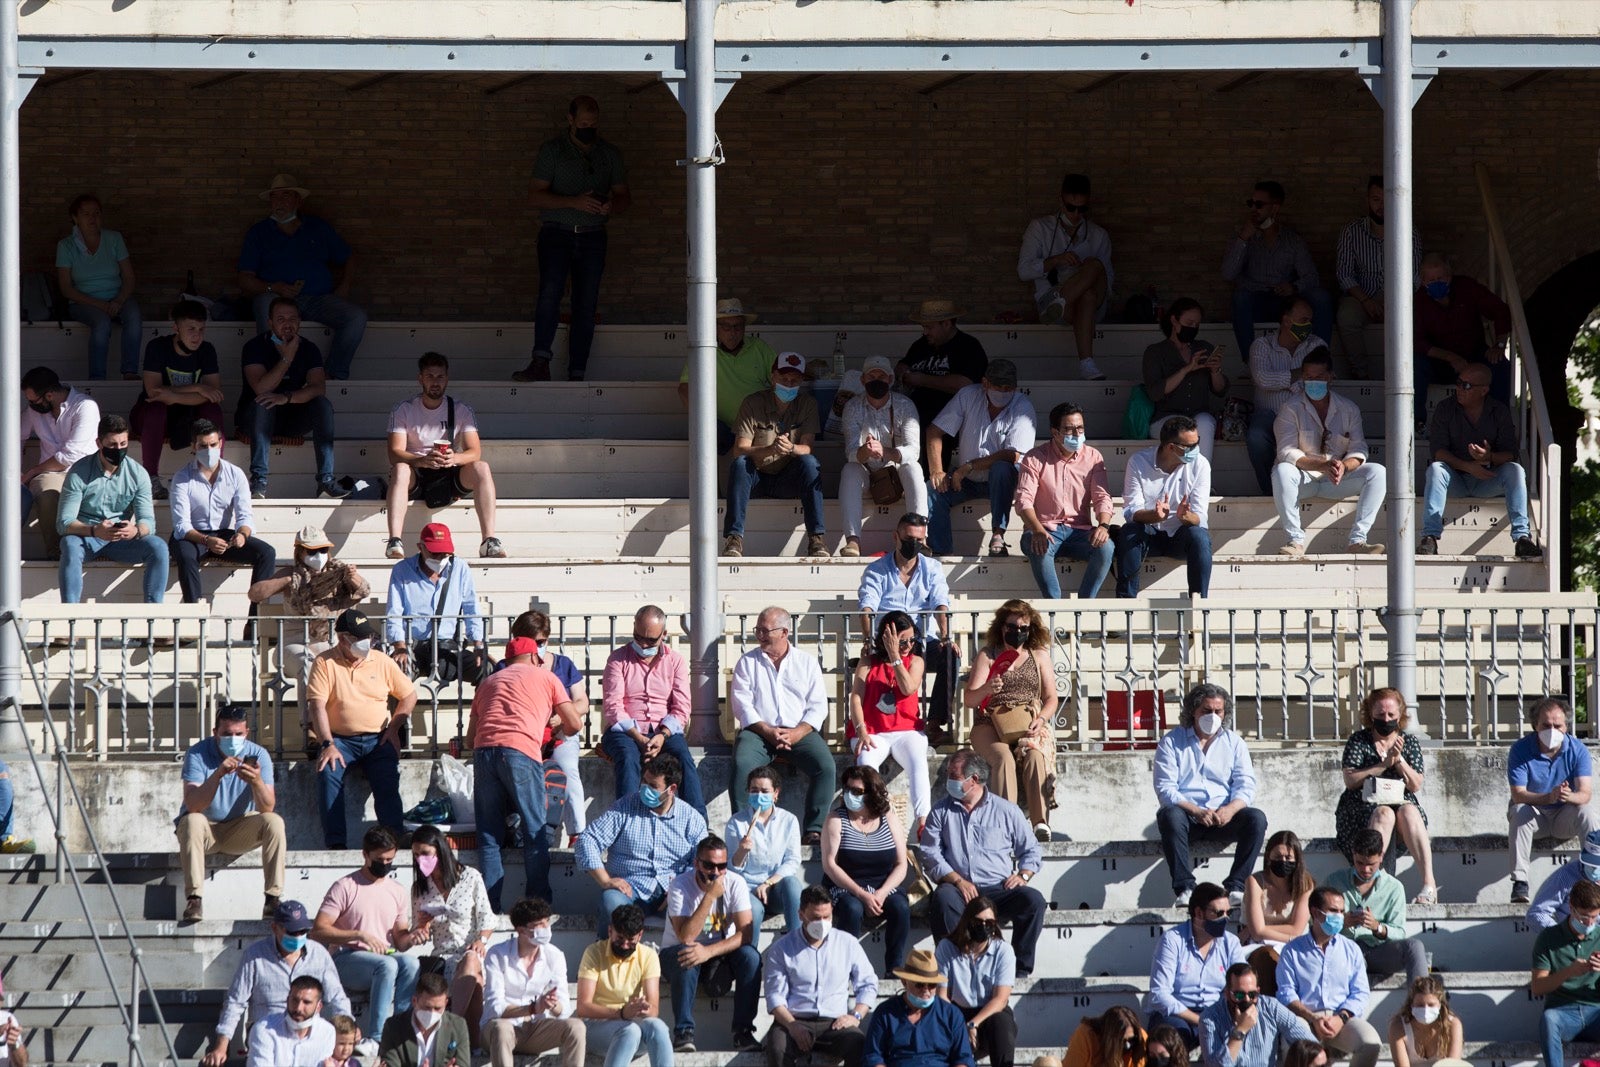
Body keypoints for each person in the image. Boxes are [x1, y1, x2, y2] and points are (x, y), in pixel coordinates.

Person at [515, 95, 631, 383]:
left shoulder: (609, 154)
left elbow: (624, 196)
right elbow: (534, 195)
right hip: (557, 233)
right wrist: (573, 202)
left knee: (586, 303)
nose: (588, 128)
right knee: (549, 296)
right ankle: (540, 362)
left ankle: (577, 371)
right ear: (570, 120)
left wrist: (610, 206)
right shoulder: (552, 151)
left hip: (594, 236)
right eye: (583, 123)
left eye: (593, 123)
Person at [466, 635, 581, 910]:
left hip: (483, 754)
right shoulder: (547, 677)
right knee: (535, 830)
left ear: (507, 659)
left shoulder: (488, 683)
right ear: (534, 657)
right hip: (520, 752)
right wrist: (553, 731)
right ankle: (537, 905)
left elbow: (470, 740)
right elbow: (575, 724)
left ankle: (490, 909)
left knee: (489, 838)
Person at [922, 750, 1046, 978]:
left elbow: (1031, 849)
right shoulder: (940, 810)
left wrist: (1024, 875)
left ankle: (1018, 970)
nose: (948, 780)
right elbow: (929, 852)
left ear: (974, 780)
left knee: (1033, 901)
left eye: (954, 775)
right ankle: (954, 968)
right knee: (942, 898)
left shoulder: (1007, 811)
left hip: (998, 889)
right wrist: (958, 881)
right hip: (958, 888)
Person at [248, 525, 371, 751]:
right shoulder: (290, 574)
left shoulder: (337, 571)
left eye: (323, 550)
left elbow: (363, 591)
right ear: (300, 553)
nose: (318, 556)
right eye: (311, 551)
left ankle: (350, 727)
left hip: (328, 640)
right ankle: (313, 729)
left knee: (351, 662)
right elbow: (255, 594)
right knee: (309, 664)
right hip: (293, 644)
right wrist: (288, 580)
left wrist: (352, 576)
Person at [239, 173, 367, 380]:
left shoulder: (317, 228)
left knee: (356, 317)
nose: (279, 201)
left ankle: (333, 373)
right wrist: (274, 287)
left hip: (319, 299)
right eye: (275, 196)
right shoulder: (258, 233)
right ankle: (274, 372)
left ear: (298, 200)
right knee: (264, 305)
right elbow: (244, 278)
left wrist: (345, 287)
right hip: (278, 300)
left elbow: (349, 255)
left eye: (286, 195)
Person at [307, 609, 418, 849]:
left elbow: (409, 696)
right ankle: (335, 844)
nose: (367, 643)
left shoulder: (382, 661)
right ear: (342, 638)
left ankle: (394, 835)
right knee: (328, 774)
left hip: (377, 739)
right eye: (359, 638)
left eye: (369, 637)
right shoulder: (324, 662)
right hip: (339, 741)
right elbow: (317, 705)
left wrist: (394, 727)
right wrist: (327, 743)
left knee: (387, 780)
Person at [1154, 683, 1266, 908]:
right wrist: (1195, 810)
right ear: (1193, 711)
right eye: (1206, 711)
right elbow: (1165, 788)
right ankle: (1185, 888)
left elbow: (1245, 786)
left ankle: (1236, 886)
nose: (1213, 716)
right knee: (1169, 815)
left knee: (1256, 818)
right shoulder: (1171, 742)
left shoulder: (1235, 743)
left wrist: (1230, 809)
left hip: (1224, 817)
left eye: (1218, 711)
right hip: (1189, 817)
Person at [728, 606, 836, 842]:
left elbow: (818, 705)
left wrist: (798, 732)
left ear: (784, 632)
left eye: (765, 631)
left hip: (799, 730)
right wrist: (766, 730)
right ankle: (744, 827)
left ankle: (815, 829)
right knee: (742, 763)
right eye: (758, 630)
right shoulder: (747, 662)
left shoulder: (806, 662)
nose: (759, 636)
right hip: (758, 731)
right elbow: (742, 704)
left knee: (825, 766)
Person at [203, 900, 351, 1067]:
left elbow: (337, 997)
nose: (298, 936)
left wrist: (349, 1031)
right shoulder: (255, 955)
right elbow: (236, 1001)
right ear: (275, 928)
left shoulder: (319, 954)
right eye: (292, 932)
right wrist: (221, 1047)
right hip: (268, 1033)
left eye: (302, 931)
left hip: (308, 1032)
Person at [385, 352, 504, 560]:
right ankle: (395, 540)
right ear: (420, 378)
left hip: (448, 473)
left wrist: (454, 458)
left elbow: (475, 451)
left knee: (481, 467)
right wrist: (421, 460)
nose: (435, 382)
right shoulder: (403, 409)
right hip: (417, 473)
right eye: (430, 376)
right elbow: (394, 454)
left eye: (440, 377)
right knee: (400, 469)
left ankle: (489, 540)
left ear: (447, 379)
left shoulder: (461, 410)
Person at [855, 511, 960, 746]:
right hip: (888, 643)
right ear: (896, 536)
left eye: (920, 540)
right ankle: (872, 725)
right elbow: (867, 606)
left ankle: (935, 723)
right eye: (909, 539)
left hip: (921, 642)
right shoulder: (876, 570)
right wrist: (867, 640)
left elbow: (941, 602)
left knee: (950, 657)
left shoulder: (932, 568)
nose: (915, 544)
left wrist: (945, 637)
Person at [1419, 360, 1542, 559]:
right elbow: (1438, 451)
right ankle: (1430, 537)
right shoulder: (1445, 408)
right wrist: (1468, 466)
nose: (1459, 388)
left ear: (1483, 391)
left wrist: (1489, 456)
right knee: (1436, 469)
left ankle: (1522, 538)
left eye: (1466, 385)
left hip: (1487, 478)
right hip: (1455, 479)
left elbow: (1511, 453)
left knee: (1515, 470)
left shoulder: (1498, 411)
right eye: (1458, 382)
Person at [312, 827, 424, 1042]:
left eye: (390, 859)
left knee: (411, 963)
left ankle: (401, 1030)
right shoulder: (345, 886)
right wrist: (359, 936)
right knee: (388, 965)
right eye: (379, 859)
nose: (385, 864)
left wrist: (412, 937)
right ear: (365, 855)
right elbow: (318, 930)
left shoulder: (397, 890)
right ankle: (378, 1038)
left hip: (383, 957)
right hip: (345, 958)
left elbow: (400, 941)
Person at [1271, 348, 1387, 555]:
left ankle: (1357, 541)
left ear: (1331, 377)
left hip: (1335, 479)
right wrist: (1322, 466)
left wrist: (1344, 465)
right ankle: (1295, 541)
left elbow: (1358, 448)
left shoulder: (1348, 408)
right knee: (1282, 470)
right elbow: (1286, 452)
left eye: (1319, 377)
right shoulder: (1290, 407)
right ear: (1302, 378)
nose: (1313, 381)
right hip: (1303, 479)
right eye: (1308, 377)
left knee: (1377, 472)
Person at [176, 704, 284, 923]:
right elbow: (193, 804)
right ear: (215, 732)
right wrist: (217, 775)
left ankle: (272, 898)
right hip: (205, 829)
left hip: (239, 828)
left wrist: (256, 781)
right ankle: (194, 898)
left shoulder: (258, 754)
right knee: (193, 821)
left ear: (246, 734)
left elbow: (267, 807)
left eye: (238, 734)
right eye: (226, 734)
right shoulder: (197, 753)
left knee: (274, 822)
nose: (232, 739)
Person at [576, 753, 707, 932]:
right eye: (644, 782)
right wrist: (606, 880)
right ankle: (608, 956)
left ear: (672, 789)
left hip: (673, 891)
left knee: (695, 904)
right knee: (612, 902)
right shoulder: (625, 807)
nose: (645, 789)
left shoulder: (692, 819)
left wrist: (682, 887)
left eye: (653, 786)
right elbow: (588, 839)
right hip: (630, 888)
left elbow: (702, 862)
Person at [963, 600, 1058, 839]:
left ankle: (1040, 823)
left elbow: (1051, 698)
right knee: (1003, 758)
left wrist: (1042, 720)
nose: (1017, 632)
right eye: (1012, 627)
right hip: (989, 722)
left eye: (1023, 627)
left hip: (1026, 720)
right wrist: (987, 688)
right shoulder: (989, 655)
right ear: (1001, 627)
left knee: (1035, 756)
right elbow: (970, 700)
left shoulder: (1038, 655)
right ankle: (1008, 824)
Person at [1334, 688, 1438, 905]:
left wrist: (1398, 760)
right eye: (1380, 715)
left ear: (1400, 715)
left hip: (1401, 812)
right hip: (1360, 812)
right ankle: (1373, 887)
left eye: (1391, 715)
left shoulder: (1408, 742)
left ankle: (1429, 884)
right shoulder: (1359, 741)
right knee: (1384, 814)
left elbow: (1416, 784)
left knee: (1408, 811)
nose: (1386, 719)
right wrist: (1383, 765)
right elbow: (1351, 780)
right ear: (1370, 714)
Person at [236, 297, 347, 499]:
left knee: (322, 405)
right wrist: (287, 357)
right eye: (280, 319)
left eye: (292, 318)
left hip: (290, 416)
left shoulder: (309, 348)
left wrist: (286, 398)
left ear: (299, 321)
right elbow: (261, 388)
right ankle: (258, 481)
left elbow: (318, 388)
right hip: (255, 420)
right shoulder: (254, 346)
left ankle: (325, 480)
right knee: (264, 402)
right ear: (270, 322)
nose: (287, 324)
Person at [661, 834, 762, 1053]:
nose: (715, 872)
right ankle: (683, 1033)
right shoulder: (680, 886)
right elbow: (686, 936)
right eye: (709, 865)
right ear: (696, 863)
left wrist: (708, 952)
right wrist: (709, 896)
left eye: (721, 866)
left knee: (751, 957)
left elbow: (746, 934)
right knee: (687, 953)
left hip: (715, 953)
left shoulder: (736, 883)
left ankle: (743, 1033)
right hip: (677, 953)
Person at [722, 350, 827, 558]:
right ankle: (734, 539)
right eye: (783, 378)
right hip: (756, 477)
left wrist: (790, 448)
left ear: (801, 381)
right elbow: (739, 449)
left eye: (794, 380)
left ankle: (816, 538)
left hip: (787, 478)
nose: (788, 384)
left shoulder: (807, 404)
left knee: (810, 462)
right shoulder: (752, 403)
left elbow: (807, 447)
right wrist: (770, 449)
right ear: (773, 377)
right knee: (741, 463)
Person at [926, 359, 1036, 557]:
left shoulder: (1023, 406)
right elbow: (934, 431)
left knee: (1002, 468)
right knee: (932, 489)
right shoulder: (968, 395)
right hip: (966, 480)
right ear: (984, 383)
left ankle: (998, 536)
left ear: (1015, 387)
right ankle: (939, 552)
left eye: (1008, 387)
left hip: (1004, 481)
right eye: (997, 386)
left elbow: (1013, 455)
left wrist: (968, 466)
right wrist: (937, 470)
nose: (1003, 391)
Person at [601, 604, 705, 814]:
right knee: (628, 757)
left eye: (650, 640)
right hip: (626, 730)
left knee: (683, 758)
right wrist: (639, 738)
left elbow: (682, 707)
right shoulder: (617, 659)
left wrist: (662, 736)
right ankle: (625, 820)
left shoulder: (675, 661)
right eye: (638, 637)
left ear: (664, 635)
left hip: (663, 729)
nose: (643, 644)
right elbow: (613, 706)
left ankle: (699, 824)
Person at [761, 884, 879, 1067]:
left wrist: (856, 1015)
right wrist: (792, 1025)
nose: (822, 923)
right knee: (777, 1048)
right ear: (801, 915)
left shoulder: (847, 943)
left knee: (859, 1044)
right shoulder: (781, 948)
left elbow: (868, 983)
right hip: (794, 1019)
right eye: (816, 918)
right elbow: (775, 995)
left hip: (834, 1023)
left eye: (827, 917)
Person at [56, 413, 168, 604]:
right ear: (99, 443)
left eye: (123, 444)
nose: (119, 449)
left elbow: (148, 521)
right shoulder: (79, 471)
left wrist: (135, 530)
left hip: (121, 540)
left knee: (159, 547)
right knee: (70, 544)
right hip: (87, 537)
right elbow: (64, 523)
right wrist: (94, 530)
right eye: (112, 445)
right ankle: (70, 614)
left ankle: (153, 614)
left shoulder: (138, 473)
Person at [169, 420, 278, 614]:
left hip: (223, 535)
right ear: (194, 446)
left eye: (213, 444)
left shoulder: (235, 474)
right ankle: (194, 618)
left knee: (267, 553)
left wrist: (242, 535)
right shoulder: (182, 477)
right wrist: (206, 540)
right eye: (203, 446)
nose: (209, 450)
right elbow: (181, 526)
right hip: (192, 536)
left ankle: (255, 621)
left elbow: (245, 516)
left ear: (220, 443)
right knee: (185, 556)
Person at [503, 610, 591, 841]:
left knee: (568, 770)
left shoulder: (563, 664)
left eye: (541, 642)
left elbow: (582, 702)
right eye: (531, 642)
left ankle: (578, 833)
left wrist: (562, 716)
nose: (536, 648)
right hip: (524, 735)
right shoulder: (506, 666)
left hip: (559, 733)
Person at [1017, 172, 1112, 381]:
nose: (1076, 214)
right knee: (1086, 295)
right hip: (1055, 297)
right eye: (1071, 207)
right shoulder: (1039, 228)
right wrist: (1055, 260)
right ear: (1061, 201)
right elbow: (1023, 271)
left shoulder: (1098, 234)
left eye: (1082, 209)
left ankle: (1062, 300)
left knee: (1093, 269)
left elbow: (1108, 280)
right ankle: (1087, 363)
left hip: (1089, 303)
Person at [1222, 181, 1333, 359]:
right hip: (1255, 300)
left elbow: (1311, 276)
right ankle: (1249, 360)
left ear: (1274, 208)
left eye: (1259, 205)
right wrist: (1243, 238)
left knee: (1321, 297)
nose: (1254, 209)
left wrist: (1293, 287)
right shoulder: (1242, 238)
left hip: (1284, 303)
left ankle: (1319, 358)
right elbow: (1228, 274)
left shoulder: (1292, 240)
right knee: (1240, 297)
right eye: (1251, 203)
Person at [1016, 401, 1115, 600]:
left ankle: (1085, 606)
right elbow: (1023, 499)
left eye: (1080, 428)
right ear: (1055, 432)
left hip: (1079, 532)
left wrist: (1103, 526)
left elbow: (1101, 496)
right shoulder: (1035, 457)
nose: (1077, 434)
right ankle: (1055, 608)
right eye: (1069, 430)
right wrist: (1036, 529)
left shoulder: (1094, 457)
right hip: (1044, 529)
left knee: (1106, 547)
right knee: (1039, 545)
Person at [823, 765, 913, 977]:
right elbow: (830, 864)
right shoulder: (836, 819)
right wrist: (862, 894)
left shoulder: (887, 816)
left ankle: (894, 967)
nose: (849, 795)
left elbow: (902, 863)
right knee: (851, 909)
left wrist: (880, 894)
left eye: (856, 791)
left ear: (871, 792)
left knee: (900, 907)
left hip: (883, 885)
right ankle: (845, 970)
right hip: (846, 885)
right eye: (846, 789)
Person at [131, 298, 225, 497]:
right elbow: (153, 392)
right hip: (154, 418)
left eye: (201, 329)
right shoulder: (158, 347)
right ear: (176, 328)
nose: (196, 335)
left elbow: (213, 394)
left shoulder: (207, 350)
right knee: (156, 408)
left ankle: (215, 475)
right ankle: (151, 478)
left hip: (188, 417)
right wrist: (199, 388)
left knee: (212, 410)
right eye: (191, 329)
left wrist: (172, 395)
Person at [1275, 887, 1379, 1067]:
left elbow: (1360, 992)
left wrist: (1341, 1018)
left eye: (1341, 911)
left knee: (1371, 1044)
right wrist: (1312, 1018)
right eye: (1333, 911)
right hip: (1305, 1019)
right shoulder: (1292, 950)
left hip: (1342, 1018)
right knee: (1292, 1045)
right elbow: (1286, 992)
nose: (1339, 916)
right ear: (1315, 912)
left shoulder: (1351, 949)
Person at [1508, 695, 1597, 904]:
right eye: (1546, 725)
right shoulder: (1520, 749)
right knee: (1519, 810)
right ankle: (1520, 882)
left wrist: (1568, 796)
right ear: (1535, 726)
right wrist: (1549, 797)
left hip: (1563, 816)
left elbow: (1585, 793)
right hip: (1535, 814)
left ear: (1566, 726)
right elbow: (1518, 794)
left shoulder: (1577, 750)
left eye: (1557, 725)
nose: (1552, 730)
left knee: (1588, 812)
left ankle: (1595, 876)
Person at [849, 612, 932, 830]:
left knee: (917, 759)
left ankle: (923, 820)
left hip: (906, 730)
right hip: (873, 730)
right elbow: (856, 697)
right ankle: (881, 816)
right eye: (901, 640)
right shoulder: (868, 662)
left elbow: (907, 687)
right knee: (866, 762)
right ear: (886, 637)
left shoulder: (915, 661)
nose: (907, 645)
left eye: (911, 640)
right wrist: (861, 730)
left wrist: (896, 656)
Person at [481, 896, 586, 1067]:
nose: (546, 929)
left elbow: (564, 1009)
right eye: (539, 925)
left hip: (536, 1029)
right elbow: (495, 1007)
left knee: (576, 1027)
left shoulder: (555, 955)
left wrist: (552, 1004)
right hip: (499, 1031)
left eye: (547, 923)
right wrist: (532, 1008)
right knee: (501, 1029)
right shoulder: (497, 954)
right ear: (521, 930)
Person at [1115, 415, 1212, 599]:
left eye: (1197, 443)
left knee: (1200, 536)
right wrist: (1154, 516)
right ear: (1171, 447)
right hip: (1149, 534)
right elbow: (1131, 511)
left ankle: (1199, 606)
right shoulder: (1138, 462)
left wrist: (1187, 517)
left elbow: (1201, 516)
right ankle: (1125, 606)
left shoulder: (1200, 465)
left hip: (1180, 535)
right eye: (1190, 447)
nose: (1196, 450)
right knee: (1129, 531)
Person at [406, 826, 494, 1030]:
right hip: (441, 957)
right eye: (416, 855)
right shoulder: (419, 888)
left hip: (471, 951)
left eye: (425, 853)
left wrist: (482, 941)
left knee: (472, 962)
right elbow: (419, 932)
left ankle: (447, 1027)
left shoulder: (470, 877)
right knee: (477, 983)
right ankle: (468, 1043)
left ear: (440, 850)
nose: (420, 859)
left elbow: (486, 917)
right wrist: (423, 926)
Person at [839, 355, 926, 557]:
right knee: (849, 470)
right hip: (867, 470)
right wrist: (865, 451)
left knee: (914, 467)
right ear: (863, 380)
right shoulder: (852, 407)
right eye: (871, 376)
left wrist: (886, 452)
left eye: (881, 376)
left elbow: (914, 451)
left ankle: (921, 538)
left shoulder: (905, 406)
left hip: (896, 472)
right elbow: (850, 452)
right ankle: (852, 541)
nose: (876, 380)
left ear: (890, 379)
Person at [1412, 252, 1512, 428]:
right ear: (1422, 281)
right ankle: (1416, 422)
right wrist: (1451, 357)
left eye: (1441, 278)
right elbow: (1418, 342)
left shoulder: (1467, 287)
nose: (1436, 283)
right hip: (1439, 362)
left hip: (1473, 357)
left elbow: (1500, 311)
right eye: (1431, 280)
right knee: (1415, 366)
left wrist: (1500, 344)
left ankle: (1499, 423)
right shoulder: (1419, 301)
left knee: (1500, 365)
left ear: (1449, 276)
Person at [1335, 175, 1419, 381]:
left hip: (1397, 298)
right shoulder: (1351, 231)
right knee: (1346, 316)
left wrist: (1391, 301)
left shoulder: (1410, 232)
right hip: (1361, 296)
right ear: (1368, 201)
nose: (1382, 205)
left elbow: (1414, 277)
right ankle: (1360, 372)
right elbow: (1344, 274)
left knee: (1414, 317)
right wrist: (1366, 301)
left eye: (1387, 199)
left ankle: (1401, 376)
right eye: (1376, 199)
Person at [1146, 883, 1250, 1045]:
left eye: (1228, 912)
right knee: (1172, 1038)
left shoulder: (1231, 942)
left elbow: (1242, 986)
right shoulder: (1172, 940)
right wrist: (1200, 1019)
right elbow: (1159, 995)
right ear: (1198, 913)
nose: (1226, 918)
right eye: (1219, 913)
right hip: (1176, 1015)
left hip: (1217, 1012)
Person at [56, 192, 142, 380]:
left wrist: (118, 300)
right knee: (102, 323)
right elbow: (66, 288)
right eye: (86, 214)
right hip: (83, 303)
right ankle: (97, 378)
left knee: (134, 313)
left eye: (96, 213)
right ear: (75, 218)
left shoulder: (114, 239)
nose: (92, 218)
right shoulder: (66, 246)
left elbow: (129, 277)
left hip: (116, 298)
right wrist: (101, 305)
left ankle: (130, 371)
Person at [385, 521, 486, 681]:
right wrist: (400, 646)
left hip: (448, 647)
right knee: (397, 672)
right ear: (420, 547)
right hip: (414, 646)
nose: (440, 559)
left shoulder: (460, 567)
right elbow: (394, 612)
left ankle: (483, 707)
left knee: (487, 669)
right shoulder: (402, 570)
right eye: (434, 554)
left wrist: (479, 644)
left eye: (445, 554)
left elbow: (471, 608)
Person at [1326, 828, 1429, 982]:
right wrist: (1341, 923)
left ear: (1381, 856)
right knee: (1353, 955)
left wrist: (1377, 927)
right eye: (1359, 863)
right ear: (1353, 854)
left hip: (1380, 951)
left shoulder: (1394, 887)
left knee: (1414, 946)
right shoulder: (1334, 881)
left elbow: (1399, 932)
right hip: (1345, 950)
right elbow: (1315, 922)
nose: (1365, 870)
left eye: (1371, 864)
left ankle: (1422, 1000)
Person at [678, 297, 779, 453]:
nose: (733, 332)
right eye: (726, 327)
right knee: (708, 434)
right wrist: (704, 420)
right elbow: (685, 388)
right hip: (720, 428)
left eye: (738, 326)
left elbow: (780, 378)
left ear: (745, 328)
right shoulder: (704, 351)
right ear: (715, 327)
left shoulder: (758, 347)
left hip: (757, 426)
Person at [575, 903, 671, 1067]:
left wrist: (644, 1009)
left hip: (632, 1023)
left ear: (640, 935)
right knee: (629, 1031)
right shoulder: (593, 952)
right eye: (620, 938)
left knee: (659, 1027)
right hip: (596, 1026)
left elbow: (654, 1009)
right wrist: (621, 1013)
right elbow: (583, 1007)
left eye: (631, 940)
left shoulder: (648, 955)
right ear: (610, 931)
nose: (625, 944)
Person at [21, 364, 100, 561]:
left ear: (49, 395)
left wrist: (32, 471)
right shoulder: (35, 410)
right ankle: (56, 553)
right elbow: (14, 435)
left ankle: (90, 551)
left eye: (33, 400)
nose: (30, 405)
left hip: (85, 471)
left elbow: (72, 454)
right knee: (47, 495)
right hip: (51, 475)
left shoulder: (85, 406)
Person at [1246, 296, 1323, 494]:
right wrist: (1298, 375)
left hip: (1304, 412)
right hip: (1268, 414)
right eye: (1303, 320)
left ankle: (1299, 491)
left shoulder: (1316, 346)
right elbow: (1262, 379)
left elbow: (1317, 380)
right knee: (1256, 437)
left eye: (1310, 321)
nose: (1308, 325)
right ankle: (1270, 492)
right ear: (1286, 320)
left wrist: (1283, 382)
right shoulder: (1262, 345)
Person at [935, 895, 1018, 1067]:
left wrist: (973, 1024)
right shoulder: (947, 947)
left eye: (989, 923)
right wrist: (960, 1024)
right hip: (956, 1011)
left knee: (1002, 1022)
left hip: (989, 1014)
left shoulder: (1003, 951)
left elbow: (1000, 999)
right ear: (967, 921)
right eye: (978, 921)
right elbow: (942, 995)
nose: (983, 927)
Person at [726, 764, 803, 946]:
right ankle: (750, 960)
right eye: (754, 790)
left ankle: (799, 945)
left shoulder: (789, 820)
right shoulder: (736, 822)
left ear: (776, 793)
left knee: (792, 883)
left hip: (775, 888)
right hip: (747, 888)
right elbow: (732, 869)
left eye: (765, 791)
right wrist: (741, 852)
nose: (759, 795)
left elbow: (792, 861)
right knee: (753, 909)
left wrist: (769, 883)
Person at [1144, 298, 1228, 467]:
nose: (1193, 328)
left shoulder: (1203, 347)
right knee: (1182, 430)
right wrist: (1186, 369)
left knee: (1206, 422)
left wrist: (1215, 370)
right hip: (1166, 417)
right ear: (1174, 320)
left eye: (1197, 324)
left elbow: (1220, 390)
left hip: (1198, 414)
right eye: (1189, 322)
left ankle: (1202, 482)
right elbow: (1155, 392)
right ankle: (1183, 483)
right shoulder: (1156, 352)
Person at [864, 948, 975, 1067]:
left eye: (932, 985)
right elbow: (873, 1057)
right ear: (904, 982)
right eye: (919, 985)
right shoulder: (885, 1013)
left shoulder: (951, 1015)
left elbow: (963, 1059)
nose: (926, 991)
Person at [1533, 877, 1600, 1067]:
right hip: (1563, 1011)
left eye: (1594, 917)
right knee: (1549, 1019)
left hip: (1596, 1010)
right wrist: (1568, 972)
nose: (1589, 923)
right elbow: (1537, 987)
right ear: (1571, 908)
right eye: (1584, 917)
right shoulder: (1549, 937)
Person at [897, 299, 990, 435]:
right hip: (914, 420)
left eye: (929, 327)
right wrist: (903, 372)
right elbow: (903, 364)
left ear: (946, 324)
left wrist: (922, 380)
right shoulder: (922, 344)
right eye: (924, 327)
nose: (925, 332)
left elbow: (965, 384)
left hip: (950, 426)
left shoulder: (969, 346)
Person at [1200, 962, 1315, 1067]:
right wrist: (1240, 1031)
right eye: (1239, 995)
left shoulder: (1271, 1007)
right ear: (1227, 994)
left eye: (1252, 994)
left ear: (1258, 991)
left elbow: (1309, 1042)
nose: (1246, 999)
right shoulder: (1210, 1018)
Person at [1241, 830, 1315, 994]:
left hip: (1296, 945)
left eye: (1288, 858)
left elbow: (1296, 928)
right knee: (1267, 960)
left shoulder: (1305, 883)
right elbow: (1257, 932)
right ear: (1268, 857)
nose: (1283, 861)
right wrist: (1287, 933)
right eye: (1278, 856)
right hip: (1259, 946)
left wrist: (1262, 928)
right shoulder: (1255, 881)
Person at [375, 971, 472, 1067]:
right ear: (414, 1001)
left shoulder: (458, 1025)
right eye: (427, 1007)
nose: (432, 1013)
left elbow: (463, 1063)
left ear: (446, 1003)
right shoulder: (393, 1027)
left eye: (438, 1008)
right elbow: (390, 1063)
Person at [246, 976, 337, 1067]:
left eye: (306, 1002)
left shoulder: (327, 1032)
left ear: (318, 1006)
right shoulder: (265, 1030)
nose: (298, 1008)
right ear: (287, 1000)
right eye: (295, 1000)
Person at [1529, 829, 1600, 930]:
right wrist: (1561, 935)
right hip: (1572, 938)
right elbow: (1537, 913)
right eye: (1590, 863)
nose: (1594, 869)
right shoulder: (1565, 876)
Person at [1386, 975, 1463, 1067]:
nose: (1425, 1010)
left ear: (1440, 1005)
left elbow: (1453, 1065)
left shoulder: (1453, 1025)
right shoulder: (1398, 1026)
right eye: (1420, 1005)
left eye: (1431, 1005)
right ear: (1411, 1005)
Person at [1060, 1005, 1143, 1067]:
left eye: (1131, 1040)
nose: (1128, 1045)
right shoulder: (1085, 1035)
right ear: (1110, 1038)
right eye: (1122, 1041)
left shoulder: (1140, 1039)